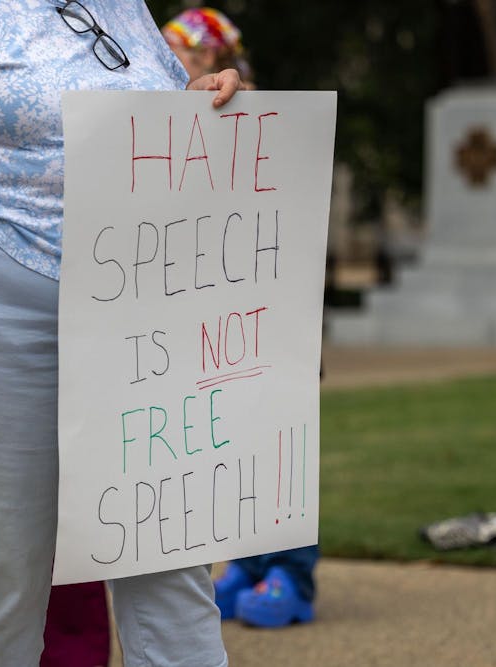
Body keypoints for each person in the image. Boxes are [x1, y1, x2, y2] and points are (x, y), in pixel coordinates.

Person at [0, 1, 241, 664]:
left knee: (176, 588)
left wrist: (204, 104)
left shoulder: (126, 10)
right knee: (4, 597)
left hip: (137, 325)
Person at [161, 6, 321, 630]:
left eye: (188, 52)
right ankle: (250, 565)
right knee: (234, 445)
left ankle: (291, 571)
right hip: (217, 313)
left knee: (278, 443)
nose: (179, 63)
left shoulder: (253, 113)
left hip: (269, 313)